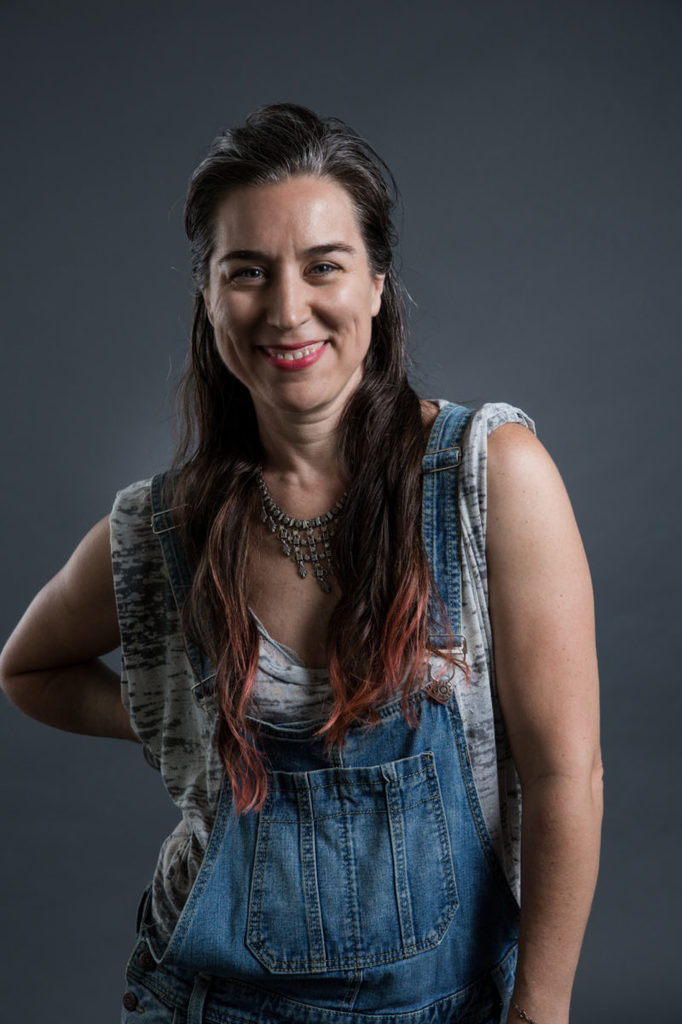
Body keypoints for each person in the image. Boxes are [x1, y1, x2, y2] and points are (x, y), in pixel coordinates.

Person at [0, 104, 602, 1024]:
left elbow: (567, 774)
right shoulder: (163, 526)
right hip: (207, 1003)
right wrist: (183, 723)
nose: (287, 310)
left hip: (453, 1007)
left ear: (376, 285)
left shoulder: (489, 478)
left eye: (324, 266)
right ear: (208, 298)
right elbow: (26, 670)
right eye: (247, 272)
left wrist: (540, 1011)